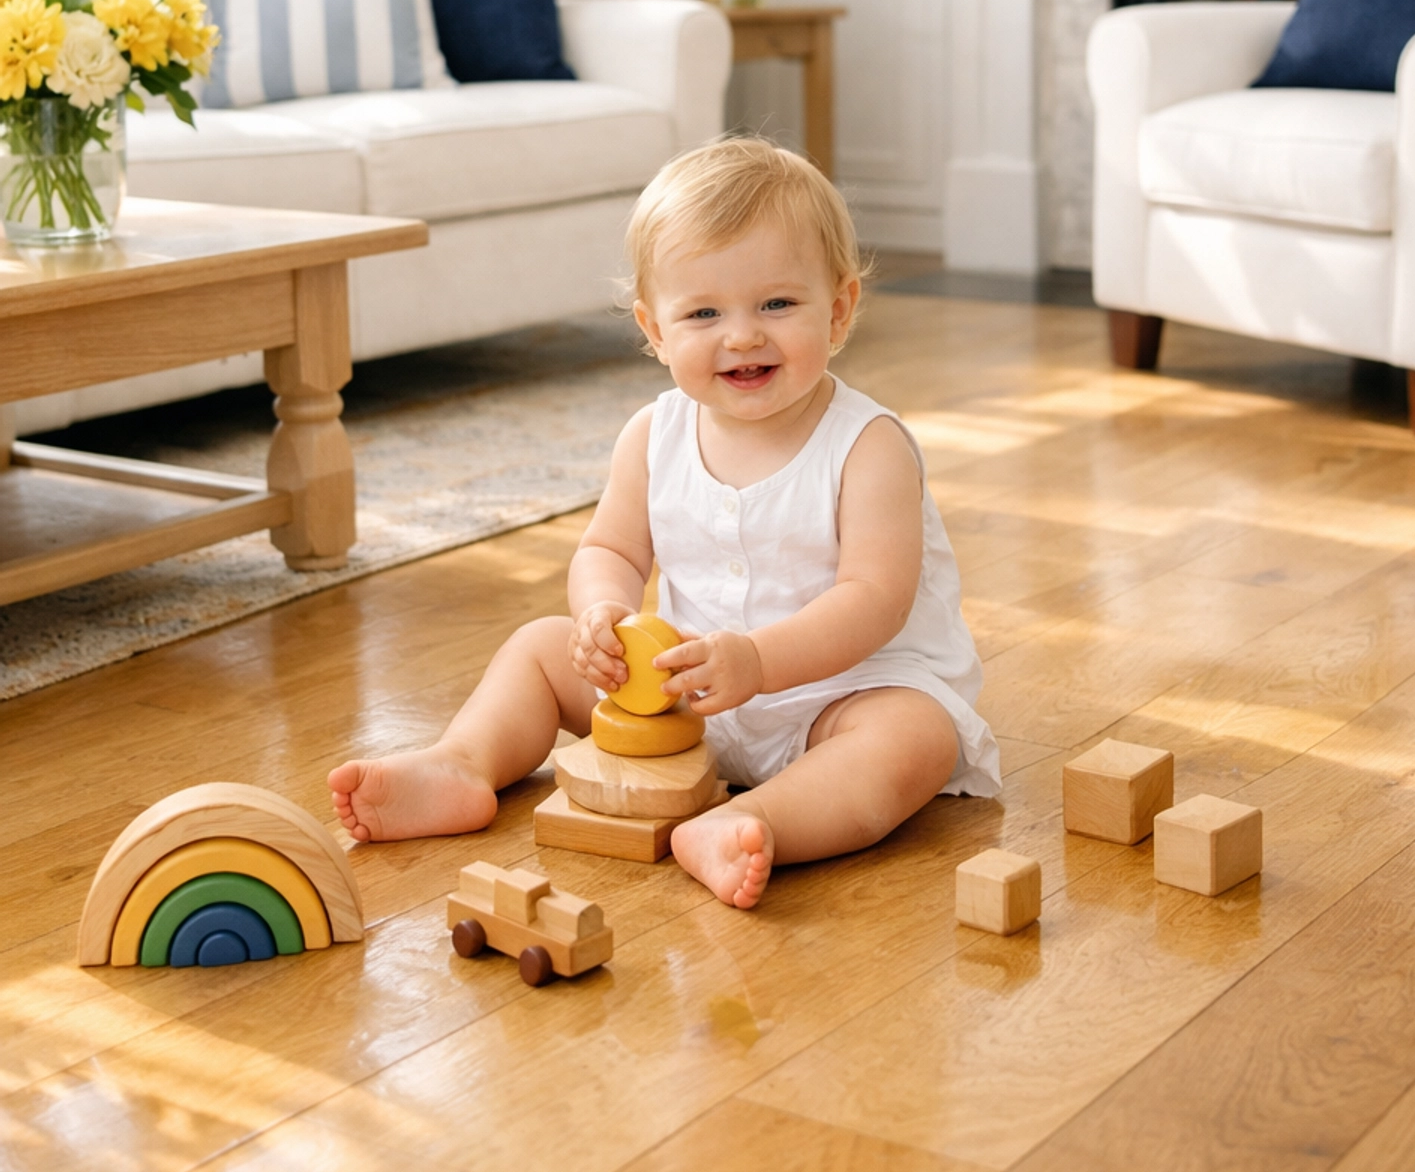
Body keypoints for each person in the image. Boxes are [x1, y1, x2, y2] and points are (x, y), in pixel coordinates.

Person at [329, 135, 999, 908]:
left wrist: (758, 662)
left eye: (777, 304)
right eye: (704, 312)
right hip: (684, 697)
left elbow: (874, 600)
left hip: (839, 699)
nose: (742, 334)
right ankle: (462, 764)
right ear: (654, 330)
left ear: (839, 309)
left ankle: (754, 820)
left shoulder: (868, 447)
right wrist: (602, 613)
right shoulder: (655, 435)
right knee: (538, 649)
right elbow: (609, 547)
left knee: (911, 738)